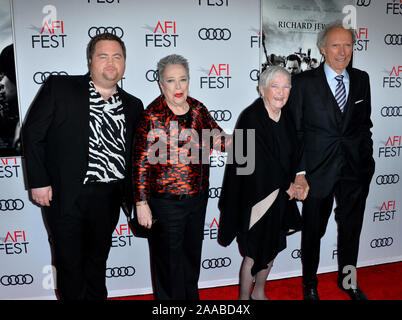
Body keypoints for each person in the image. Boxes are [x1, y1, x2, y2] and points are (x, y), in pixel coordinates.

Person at [22, 33, 144, 300]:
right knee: (69, 265)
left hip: (109, 197)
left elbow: (138, 156)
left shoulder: (134, 105)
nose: (111, 63)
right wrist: (39, 181)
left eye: (117, 57)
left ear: (124, 62)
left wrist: (140, 199)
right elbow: (32, 134)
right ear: (90, 61)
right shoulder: (61, 88)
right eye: (103, 56)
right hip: (66, 195)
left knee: (97, 262)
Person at [288, 20, 375, 300]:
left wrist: (367, 161)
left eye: (348, 45)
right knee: (313, 231)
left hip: (354, 170)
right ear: (323, 49)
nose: (342, 51)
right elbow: (296, 131)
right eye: (335, 45)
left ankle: (348, 281)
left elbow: (364, 125)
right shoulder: (302, 82)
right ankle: (309, 284)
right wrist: (299, 172)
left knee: (351, 230)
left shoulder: (362, 79)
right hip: (316, 172)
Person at [134, 54, 229, 300]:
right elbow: (141, 163)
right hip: (165, 203)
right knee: (167, 264)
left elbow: (217, 138)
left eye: (183, 80)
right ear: (160, 84)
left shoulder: (198, 108)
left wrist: (247, 140)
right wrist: (141, 203)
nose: (178, 87)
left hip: (197, 200)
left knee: (190, 258)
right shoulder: (152, 115)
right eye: (171, 81)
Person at [218, 66, 304, 300]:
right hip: (254, 198)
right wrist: (285, 185)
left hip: (280, 198)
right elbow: (253, 163)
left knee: (272, 248)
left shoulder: (287, 117)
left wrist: (298, 178)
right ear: (261, 89)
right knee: (254, 254)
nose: (281, 92)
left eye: (286, 86)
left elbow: (295, 153)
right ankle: (244, 300)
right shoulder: (250, 116)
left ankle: (259, 293)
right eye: (275, 86)